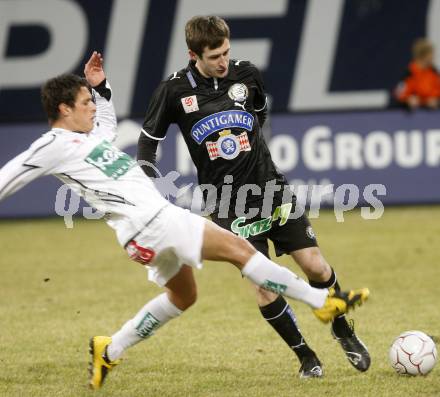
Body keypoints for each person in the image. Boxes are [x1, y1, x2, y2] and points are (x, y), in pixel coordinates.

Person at [0, 52, 369, 390]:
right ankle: (320, 301)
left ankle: (110, 349)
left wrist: (100, 90)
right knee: (242, 250)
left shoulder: (86, 139)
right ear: (64, 109)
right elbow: (9, 176)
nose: (91, 109)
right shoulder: (51, 146)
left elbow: (106, 127)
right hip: (155, 221)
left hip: (139, 233)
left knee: (183, 296)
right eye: (84, 104)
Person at [138, 15, 371, 378]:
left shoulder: (246, 75)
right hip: (227, 205)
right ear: (193, 54)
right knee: (263, 286)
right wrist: (146, 189)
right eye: (215, 55)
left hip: (270, 189)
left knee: (315, 266)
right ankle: (306, 357)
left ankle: (342, 329)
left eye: (226, 52)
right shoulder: (173, 91)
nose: (223, 61)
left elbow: (260, 115)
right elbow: (147, 146)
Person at [394, 38, 440, 109]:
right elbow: (398, 96)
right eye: (431, 54)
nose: (433, 57)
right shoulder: (409, 74)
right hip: (413, 118)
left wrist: (437, 101)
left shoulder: (434, 72)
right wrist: (408, 101)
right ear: (423, 55)